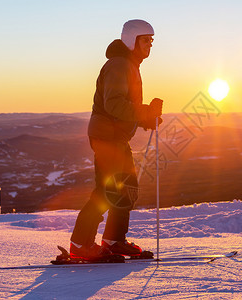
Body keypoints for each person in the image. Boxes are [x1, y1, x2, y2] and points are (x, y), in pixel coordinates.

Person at [69, 19, 163, 260]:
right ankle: (80, 245)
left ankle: (113, 240)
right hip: (106, 136)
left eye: (151, 41)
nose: (149, 46)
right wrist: (144, 112)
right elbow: (114, 104)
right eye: (145, 40)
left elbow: (123, 107)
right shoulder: (120, 64)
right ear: (131, 39)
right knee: (106, 191)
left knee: (127, 188)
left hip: (116, 136)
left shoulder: (129, 64)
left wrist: (145, 119)